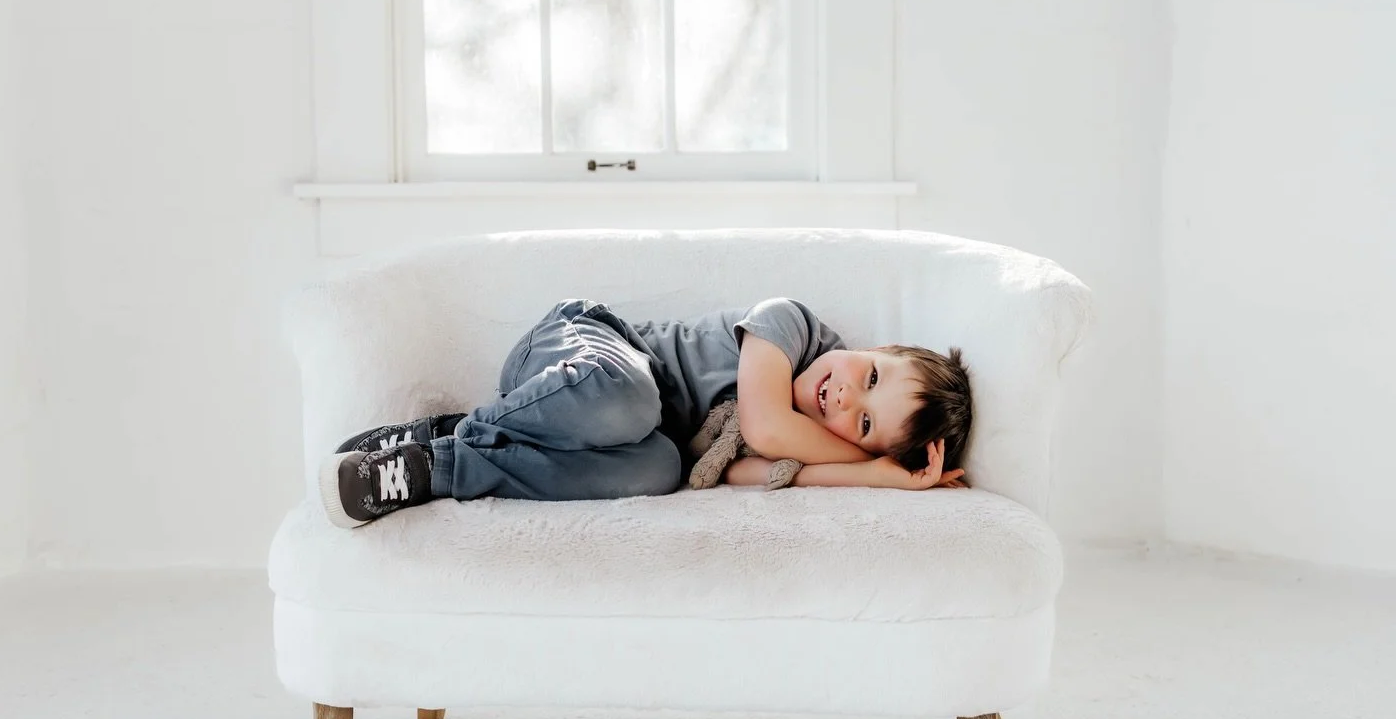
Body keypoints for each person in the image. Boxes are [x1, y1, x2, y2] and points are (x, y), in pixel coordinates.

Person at [320, 297, 973, 528]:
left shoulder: (816, 448)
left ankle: (436, 462)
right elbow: (768, 429)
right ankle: (460, 434)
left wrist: (881, 478)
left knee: (659, 468)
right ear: (881, 347)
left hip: (607, 435)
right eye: (871, 375)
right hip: (585, 352)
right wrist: (866, 454)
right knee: (630, 399)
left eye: (862, 422)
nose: (844, 396)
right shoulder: (791, 325)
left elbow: (750, 473)